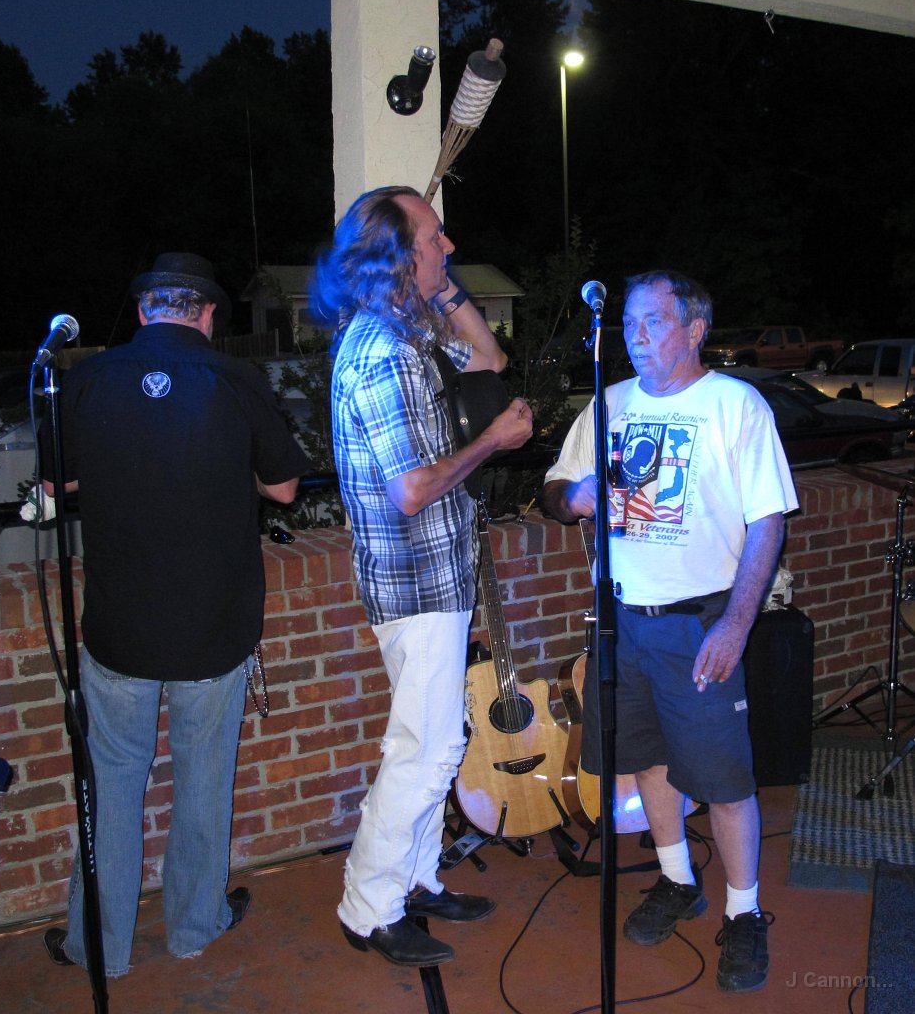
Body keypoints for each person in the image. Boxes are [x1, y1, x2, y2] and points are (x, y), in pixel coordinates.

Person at [40, 253, 309, 976]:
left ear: (142, 311)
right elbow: (285, 488)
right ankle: (194, 927)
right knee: (202, 782)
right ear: (208, 314)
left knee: (112, 785)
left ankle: (100, 947)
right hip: (214, 625)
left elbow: (56, 482)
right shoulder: (235, 378)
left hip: (119, 627)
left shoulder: (88, 378)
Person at [542, 270, 798, 994]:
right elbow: (553, 492)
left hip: (700, 622)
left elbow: (767, 522)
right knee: (647, 761)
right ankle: (677, 878)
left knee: (724, 778)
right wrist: (574, 497)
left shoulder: (734, 406)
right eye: (628, 322)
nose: (636, 335)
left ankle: (744, 913)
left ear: (694, 330)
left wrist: (738, 625)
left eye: (653, 321)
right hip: (623, 622)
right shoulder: (609, 404)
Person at [315, 186, 533, 967]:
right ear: (398, 254)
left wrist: (441, 288)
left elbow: (489, 358)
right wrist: (493, 441)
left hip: (434, 576)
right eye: (436, 238)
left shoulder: (407, 331)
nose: (450, 245)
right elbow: (410, 489)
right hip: (416, 583)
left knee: (433, 741)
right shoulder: (381, 350)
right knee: (426, 750)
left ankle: (414, 879)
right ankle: (369, 905)